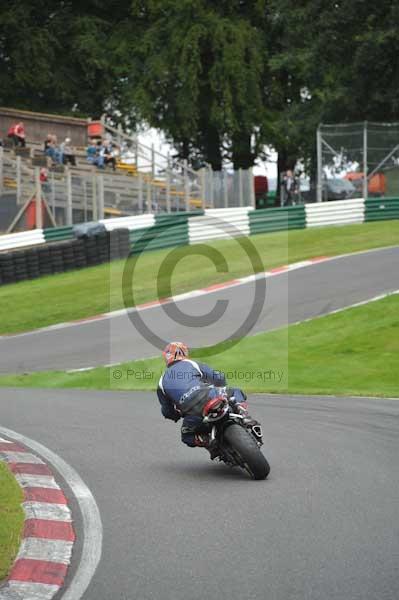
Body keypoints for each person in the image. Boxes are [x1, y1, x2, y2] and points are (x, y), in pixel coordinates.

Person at [157, 341, 259, 459]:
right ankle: (243, 414)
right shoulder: (191, 364)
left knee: (186, 437)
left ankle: (207, 442)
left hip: (193, 414)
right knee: (235, 391)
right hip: (210, 397)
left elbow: (167, 411)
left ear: (166, 357)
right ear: (184, 353)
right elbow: (219, 377)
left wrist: (176, 415)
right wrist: (221, 389)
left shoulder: (161, 382)